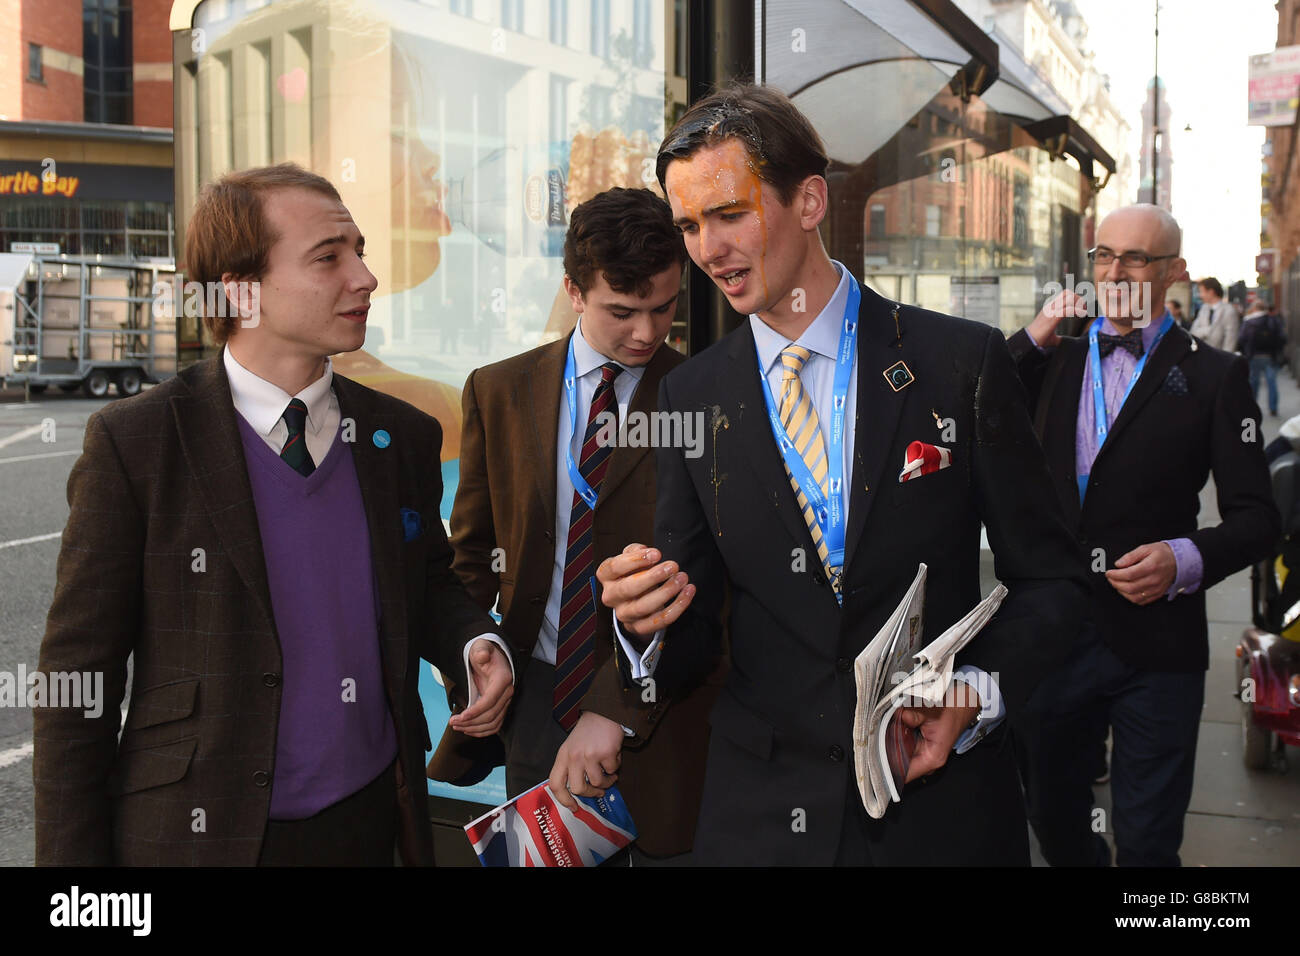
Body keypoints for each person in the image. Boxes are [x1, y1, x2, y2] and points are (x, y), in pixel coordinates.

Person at [596, 83, 1089, 866]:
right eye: (689, 225)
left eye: (730, 214)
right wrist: (642, 627)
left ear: (810, 200)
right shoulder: (691, 394)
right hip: (759, 821)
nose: (707, 249)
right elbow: (694, 635)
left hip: (941, 812)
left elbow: (1055, 584)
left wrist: (976, 693)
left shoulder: (958, 362)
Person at [32, 163, 515, 866]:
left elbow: (431, 582)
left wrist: (476, 644)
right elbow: (77, 681)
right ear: (240, 291)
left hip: (372, 827)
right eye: (329, 257)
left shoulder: (399, 436)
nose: (365, 277)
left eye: (361, 250)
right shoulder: (137, 444)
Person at [431, 187, 718, 864]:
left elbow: (716, 583)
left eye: (664, 307)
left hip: (666, 709)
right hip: (534, 703)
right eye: (622, 311)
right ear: (573, 290)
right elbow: (471, 558)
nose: (647, 333)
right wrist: (476, 660)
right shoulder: (495, 390)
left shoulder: (711, 397)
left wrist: (618, 704)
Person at [1008, 204, 1280, 866]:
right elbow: (969, 413)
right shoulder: (1053, 357)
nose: (1115, 271)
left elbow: (1259, 521)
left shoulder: (1217, 376)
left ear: (1174, 272)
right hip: (1052, 637)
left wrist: (1183, 558)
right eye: (1104, 255)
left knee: (1150, 838)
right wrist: (1030, 339)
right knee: (1052, 817)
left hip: (1156, 644)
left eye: (1136, 258)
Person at [1237, 298, 1286, 416]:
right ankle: (1273, 408)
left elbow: (1241, 339)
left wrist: (1244, 353)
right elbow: (1282, 338)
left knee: (1253, 382)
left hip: (1253, 356)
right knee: (1272, 382)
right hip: (1270, 356)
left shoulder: (1248, 321)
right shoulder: (1273, 320)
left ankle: (1252, 407)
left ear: (1254, 308)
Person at [1189, 277, 1240, 351]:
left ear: (1211, 292)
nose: (1200, 295)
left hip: (1220, 358)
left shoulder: (1229, 310)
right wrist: (1207, 330)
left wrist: (1225, 360)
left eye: (1201, 292)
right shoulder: (1204, 309)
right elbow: (1193, 332)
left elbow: (1230, 341)